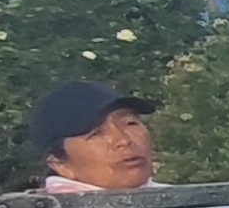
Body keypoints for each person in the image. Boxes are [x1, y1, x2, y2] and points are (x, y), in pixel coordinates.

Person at [30, 81, 160, 194]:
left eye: (130, 123)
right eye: (96, 133)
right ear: (61, 165)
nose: (124, 141)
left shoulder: (170, 203)